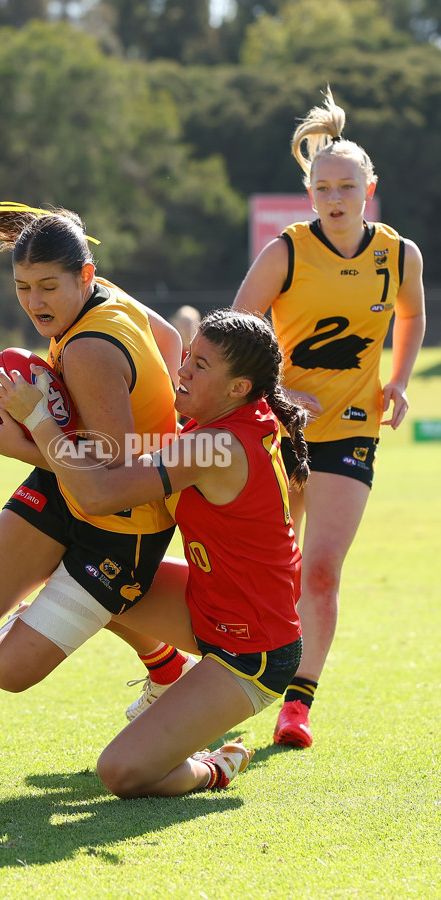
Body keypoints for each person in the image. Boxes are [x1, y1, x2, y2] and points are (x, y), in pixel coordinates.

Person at [0, 202, 196, 798]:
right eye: (23, 288)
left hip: (123, 524)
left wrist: (18, 439)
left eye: (49, 286)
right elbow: (172, 338)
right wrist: (162, 412)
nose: (35, 302)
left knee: (10, 672)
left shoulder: (89, 349)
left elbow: (112, 471)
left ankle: (146, 656)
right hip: (64, 481)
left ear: (85, 276)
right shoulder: (108, 297)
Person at [0, 308, 309, 797]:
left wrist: (36, 419)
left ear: (238, 387)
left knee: (120, 773)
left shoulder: (216, 445)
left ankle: (217, 767)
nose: (183, 369)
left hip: (254, 650)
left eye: (200, 365)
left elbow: (98, 494)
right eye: (189, 355)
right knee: (100, 579)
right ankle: (166, 670)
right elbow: (117, 471)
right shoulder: (221, 421)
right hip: (207, 604)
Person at [233, 86, 426, 748]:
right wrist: (280, 389)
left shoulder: (400, 255)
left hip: (351, 430)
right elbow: (239, 329)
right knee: (273, 569)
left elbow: (412, 314)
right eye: (323, 188)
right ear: (310, 193)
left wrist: (398, 380)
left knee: (320, 569)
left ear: (370, 187)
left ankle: (298, 702)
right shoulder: (286, 251)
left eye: (347, 186)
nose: (335, 198)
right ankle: (227, 679)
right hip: (279, 430)